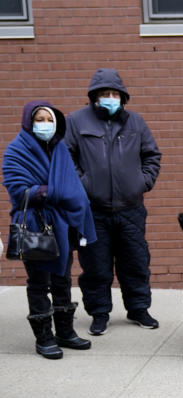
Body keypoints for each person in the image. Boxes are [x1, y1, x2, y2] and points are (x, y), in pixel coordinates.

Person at [64, 68, 162, 336]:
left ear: (122, 97)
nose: (110, 97)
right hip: (92, 211)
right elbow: (66, 158)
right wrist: (83, 186)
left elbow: (152, 155)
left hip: (131, 208)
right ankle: (99, 313)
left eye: (115, 93)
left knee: (135, 261)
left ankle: (139, 308)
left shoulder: (136, 122)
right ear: (94, 97)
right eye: (105, 94)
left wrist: (142, 182)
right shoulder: (75, 122)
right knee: (95, 264)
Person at [3, 101, 97, 359]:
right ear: (28, 122)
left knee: (62, 279)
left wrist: (56, 192)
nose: (44, 124)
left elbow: (74, 188)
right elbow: (17, 189)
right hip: (35, 224)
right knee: (38, 281)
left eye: (49, 120)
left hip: (62, 224)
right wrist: (54, 191)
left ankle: (65, 332)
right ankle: (44, 337)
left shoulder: (61, 150)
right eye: (39, 119)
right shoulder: (16, 150)